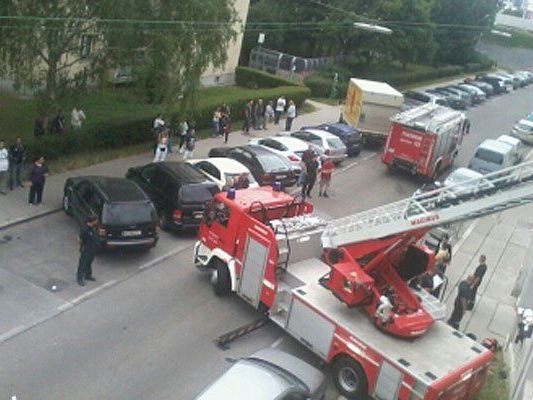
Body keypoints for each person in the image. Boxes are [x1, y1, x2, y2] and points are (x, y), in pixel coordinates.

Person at [77, 215, 99, 286]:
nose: (97, 222)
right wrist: (82, 247)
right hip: (86, 249)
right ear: (92, 221)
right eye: (96, 220)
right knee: (83, 264)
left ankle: (88, 275)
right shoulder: (85, 229)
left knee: (89, 262)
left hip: (92, 248)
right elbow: (80, 239)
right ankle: (79, 278)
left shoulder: (93, 227)